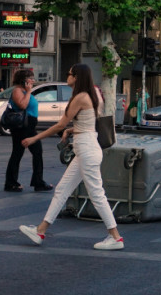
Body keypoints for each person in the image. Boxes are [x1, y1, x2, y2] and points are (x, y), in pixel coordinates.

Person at [18, 64, 123, 250]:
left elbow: (59, 125)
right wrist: (72, 129)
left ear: (76, 77)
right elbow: (88, 124)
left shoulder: (80, 97)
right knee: (62, 190)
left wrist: (35, 137)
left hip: (87, 149)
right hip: (86, 147)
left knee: (97, 194)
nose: (67, 76)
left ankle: (115, 237)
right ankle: (40, 231)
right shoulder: (92, 94)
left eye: (69, 73)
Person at [4, 69, 53, 193]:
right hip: (22, 126)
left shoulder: (25, 91)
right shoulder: (17, 91)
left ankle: (37, 182)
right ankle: (11, 183)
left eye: (32, 78)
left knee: (36, 152)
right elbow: (22, 105)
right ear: (23, 80)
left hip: (29, 126)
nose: (33, 80)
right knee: (18, 152)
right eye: (30, 78)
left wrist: (28, 91)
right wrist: (29, 91)